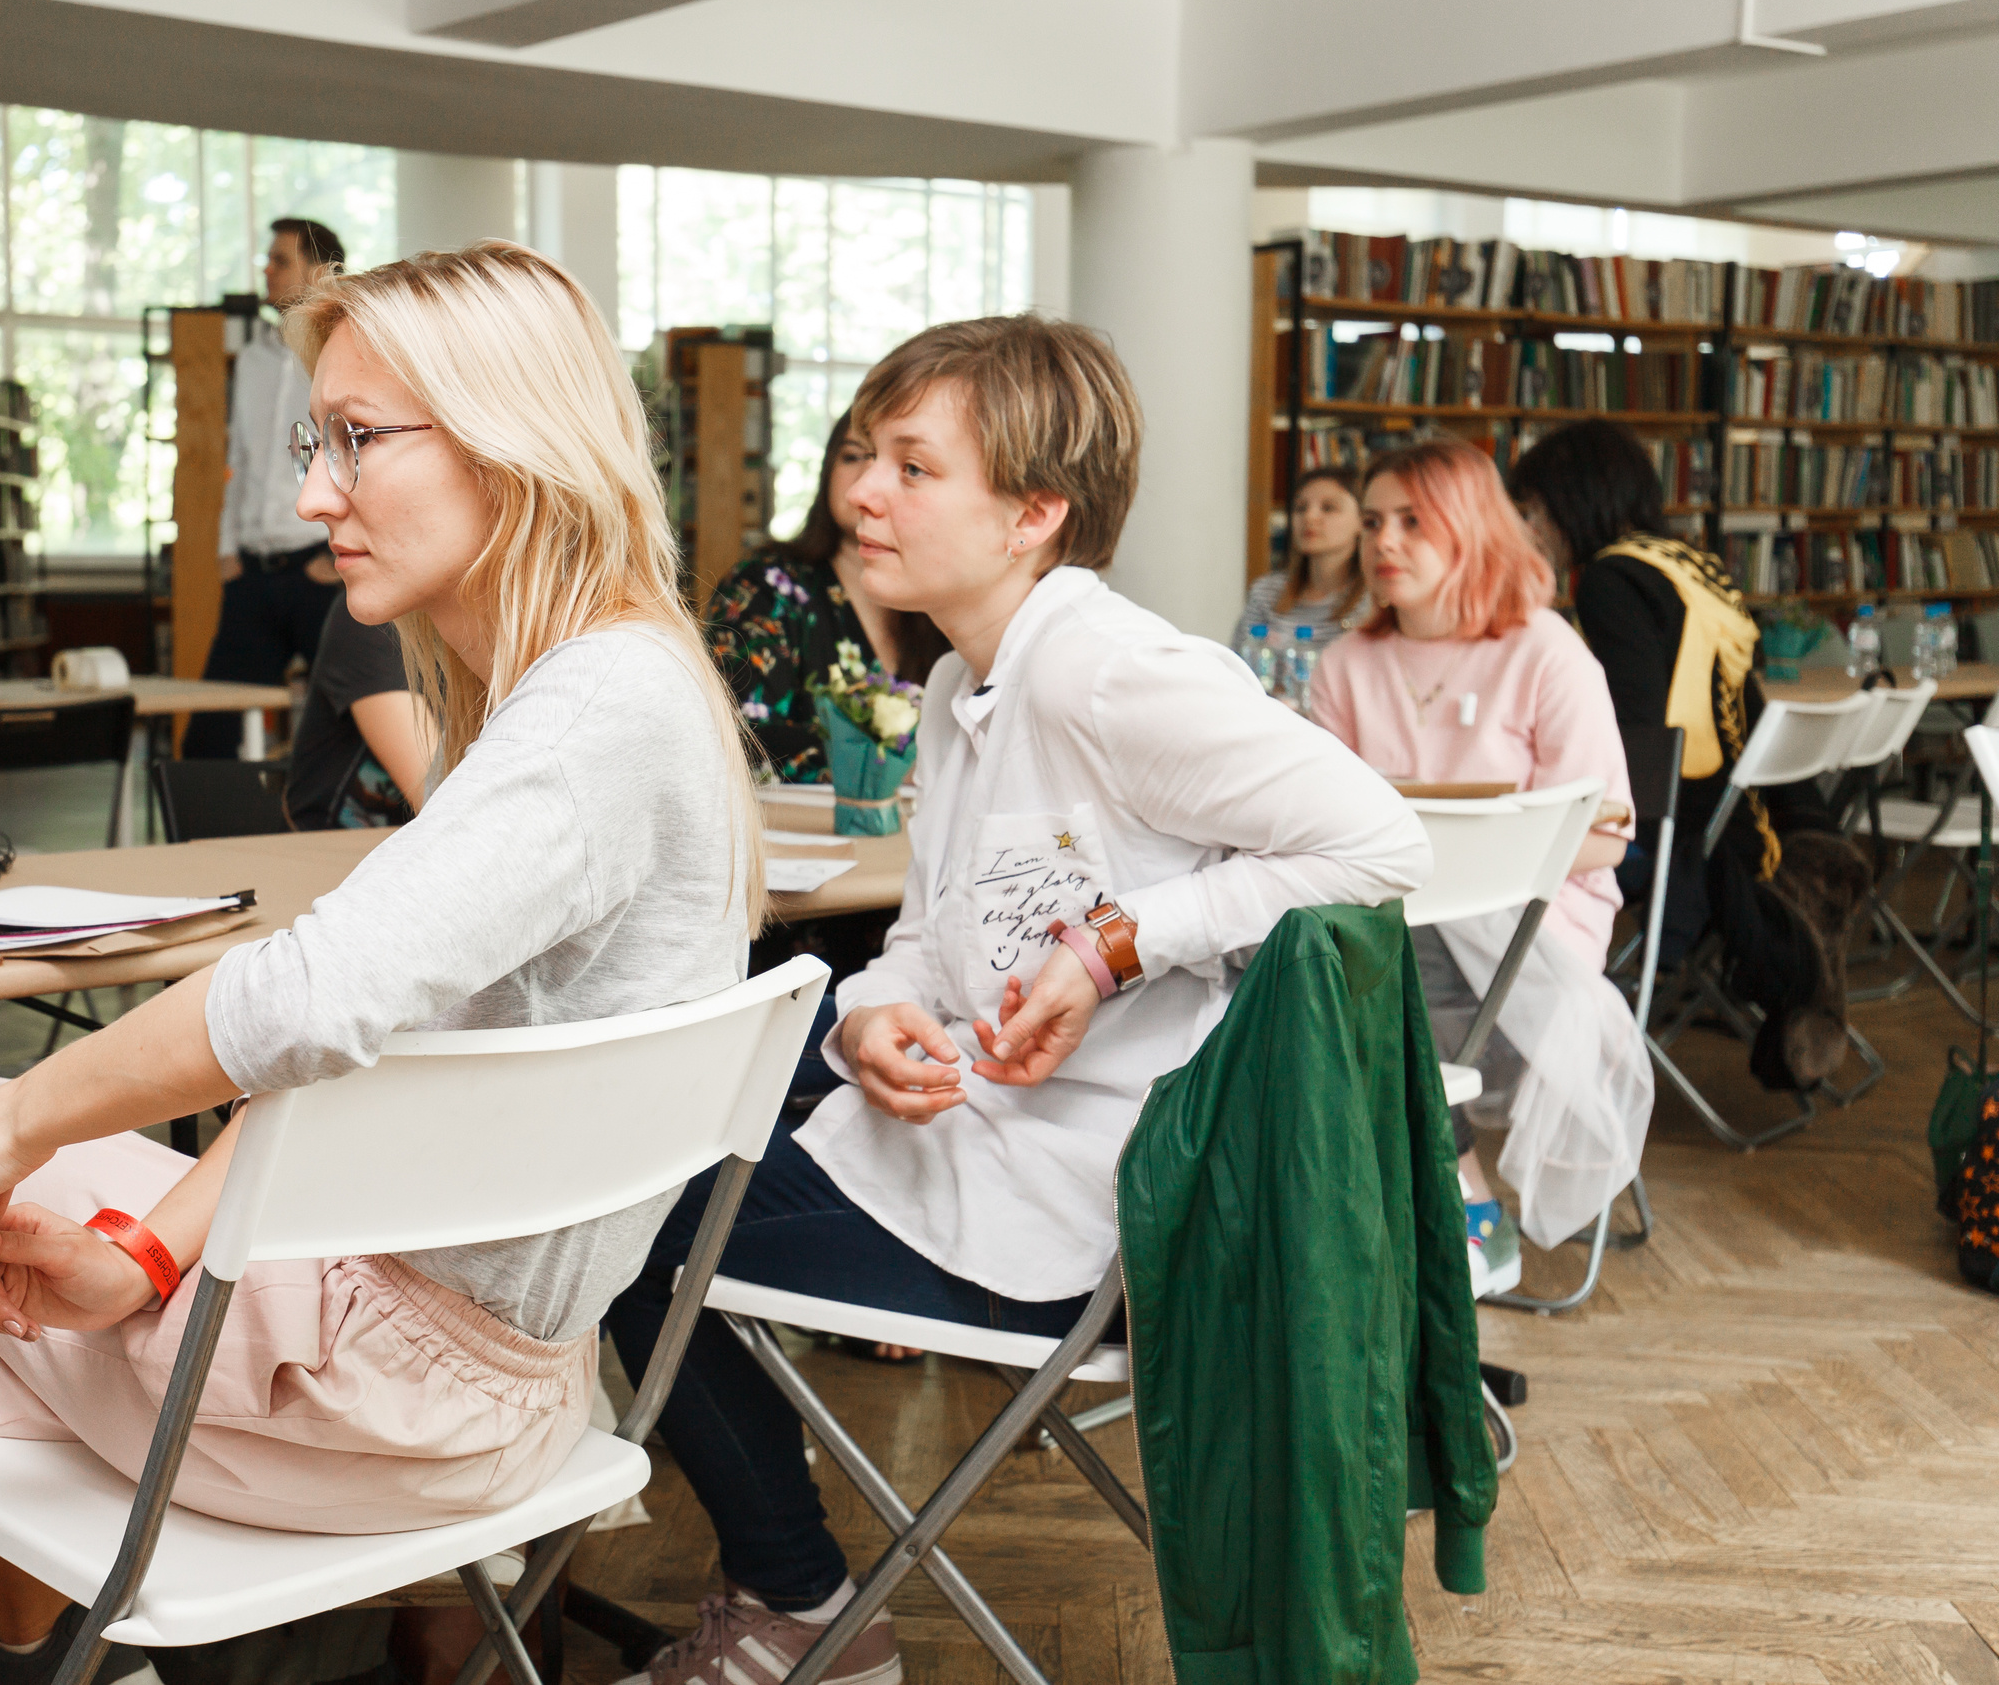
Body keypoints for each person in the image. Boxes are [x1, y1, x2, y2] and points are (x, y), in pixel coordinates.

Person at [0, 241, 766, 1685]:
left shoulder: (594, 711)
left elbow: (307, 998)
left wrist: (29, 1115)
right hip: (476, 1366)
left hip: (399, 1395)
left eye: (357, 439)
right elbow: (371, 1061)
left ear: (516, 434)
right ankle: (57, 1639)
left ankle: (4, 1651)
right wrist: (151, 1245)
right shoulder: (620, 683)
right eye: (317, 442)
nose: (311, 496)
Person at [604, 315, 1433, 1685]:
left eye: (914, 468)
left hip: (1095, 1206)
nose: (859, 490)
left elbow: (1378, 842)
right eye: (865, 453)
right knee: (669, 1127)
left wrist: (1120, 942)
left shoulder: (1110, 670)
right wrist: (876, 1012)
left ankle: (800, 1602)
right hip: (987, 1143)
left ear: (1033, 513)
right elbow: (929, 940)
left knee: (624, 1218)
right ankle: (789, 1586)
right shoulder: (953, 681)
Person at [1309, 437, 1645, 1286]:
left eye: (1414, 522)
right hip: (1395, 922)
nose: (1384, 542)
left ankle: (1451, 1203)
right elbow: (1317, 825)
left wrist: (1477, 852)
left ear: (1470, 528)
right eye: (1376, 521)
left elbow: (1607, 835)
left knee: (1346, 967)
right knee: (1297, 947)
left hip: (1527, 940)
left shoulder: (1543, 650)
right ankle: (1430, 1202)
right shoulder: (1346, 663)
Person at [1509, 418, 1864, 1091]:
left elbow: (1639, 730)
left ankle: (1526, 1048)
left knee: (1515, 853)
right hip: (1745, 825)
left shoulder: (1611, 579)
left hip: (1678, 836)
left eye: (1529, 510)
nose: (1523, 530)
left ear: (1569, 502)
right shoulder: (1690, 563)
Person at [705, 411, 948, 782]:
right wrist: (892, 771)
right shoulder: (765, 585)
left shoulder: (945, 597)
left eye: (907, 467)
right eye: (852, 456)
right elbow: (736, 737)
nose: (868, 480)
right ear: (827, 471)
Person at [184, 216, 350, 759]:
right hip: (253, 573)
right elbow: (238, 461)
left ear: (320, 271)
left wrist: (336, 552)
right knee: (211, 734)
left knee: (354, 724)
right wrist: (226, 549)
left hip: (319, 571)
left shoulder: (345, 353)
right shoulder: (252, 361)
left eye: (280, 260)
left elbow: (358, 456)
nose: (267, 269)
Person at [280, 585, 434, 829]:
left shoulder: (499, 630)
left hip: (419, 852)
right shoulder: (373, 612)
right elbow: (438, 797)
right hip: (325, 853)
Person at [1231, 463, 1368, 655]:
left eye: (1328, 508)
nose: (1309, 517)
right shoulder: (1266, 592)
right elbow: (1237, 668)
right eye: (1300, 508)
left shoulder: (1374, 601)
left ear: (1363, 520)